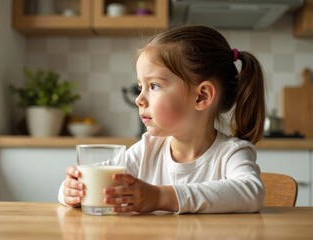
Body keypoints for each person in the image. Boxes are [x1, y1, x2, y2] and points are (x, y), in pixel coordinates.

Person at [58, 25, 266, 214]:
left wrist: (160, 197)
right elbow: (94, 179)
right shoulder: (147, 150)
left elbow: (251, 192)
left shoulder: (230, 154)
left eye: (154, 86)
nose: (139, 99)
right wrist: (71, 191)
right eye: (141, 87)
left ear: (202, 96)